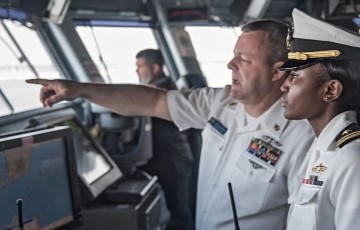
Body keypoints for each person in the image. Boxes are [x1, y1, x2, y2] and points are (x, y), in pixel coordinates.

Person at [26, 19, 315, 230]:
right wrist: (80, 90)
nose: (230, 65)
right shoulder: (220, 103)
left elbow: (306, 221)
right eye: (232, 55)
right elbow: (151, 101)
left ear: (278, 71)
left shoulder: (302, 135)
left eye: (243, 59)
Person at [279, 9, 360, 230]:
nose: (283, 86)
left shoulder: (350, 159)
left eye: (294, 76)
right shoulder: (319, 149)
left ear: (331, 90)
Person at [135, 48, 195, 230]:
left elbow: (143, 99)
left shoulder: (164, 91)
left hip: (173, 160)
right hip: (161, 159)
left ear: (155, 68)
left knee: (179, 213)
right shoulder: (156, 88)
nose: (137, 71)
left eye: (140, 67)